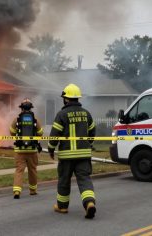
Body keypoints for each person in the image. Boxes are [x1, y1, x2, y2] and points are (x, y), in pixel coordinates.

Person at [48, 84, 96, 219]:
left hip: (66, 156)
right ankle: (89, 203)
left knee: (64, 180)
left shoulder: (62, 114)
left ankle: (62, 207)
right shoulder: (86, 113)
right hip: (83, 155)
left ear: (66, 99)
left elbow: (54, 135)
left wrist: (51, 149)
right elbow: (92, 131)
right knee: (84, 179)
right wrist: (88, 144)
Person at [10, 98, 43, 199]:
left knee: (19, 170)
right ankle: (32, 190)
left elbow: (11, 132)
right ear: (31, 108)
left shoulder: (17, 119)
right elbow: (40, 133)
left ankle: (17, 191)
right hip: (32, 150)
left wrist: (18, 135)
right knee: (32, 170)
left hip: (20, 150)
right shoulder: (35, 120)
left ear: (22, 108)